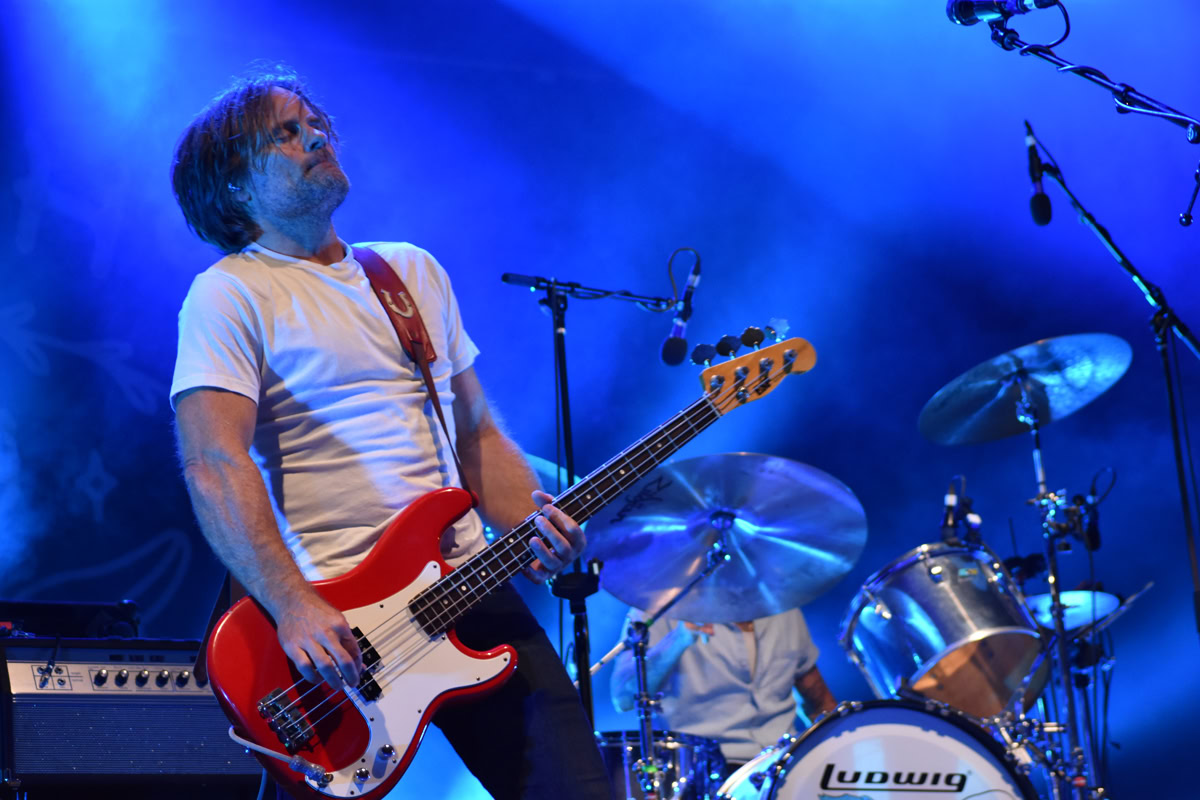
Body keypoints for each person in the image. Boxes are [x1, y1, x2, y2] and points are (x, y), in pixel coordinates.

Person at [168, 68, 610, 800]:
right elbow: (214, 462)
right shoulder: (229, 293)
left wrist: (531, 524)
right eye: (286, 133)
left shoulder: (408, 273)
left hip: (463, 583)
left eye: (316, 124)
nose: (316, 137)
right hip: (331, 624)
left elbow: (476, 436)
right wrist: (291, 604)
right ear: (236, 184)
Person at [609, 607, 837, 772]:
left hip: (783, 766)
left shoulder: (786, 610)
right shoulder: (657, 607)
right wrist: (677, 640)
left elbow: (821, 705)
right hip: (703, 772)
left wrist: (844, 755)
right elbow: (623, 696)